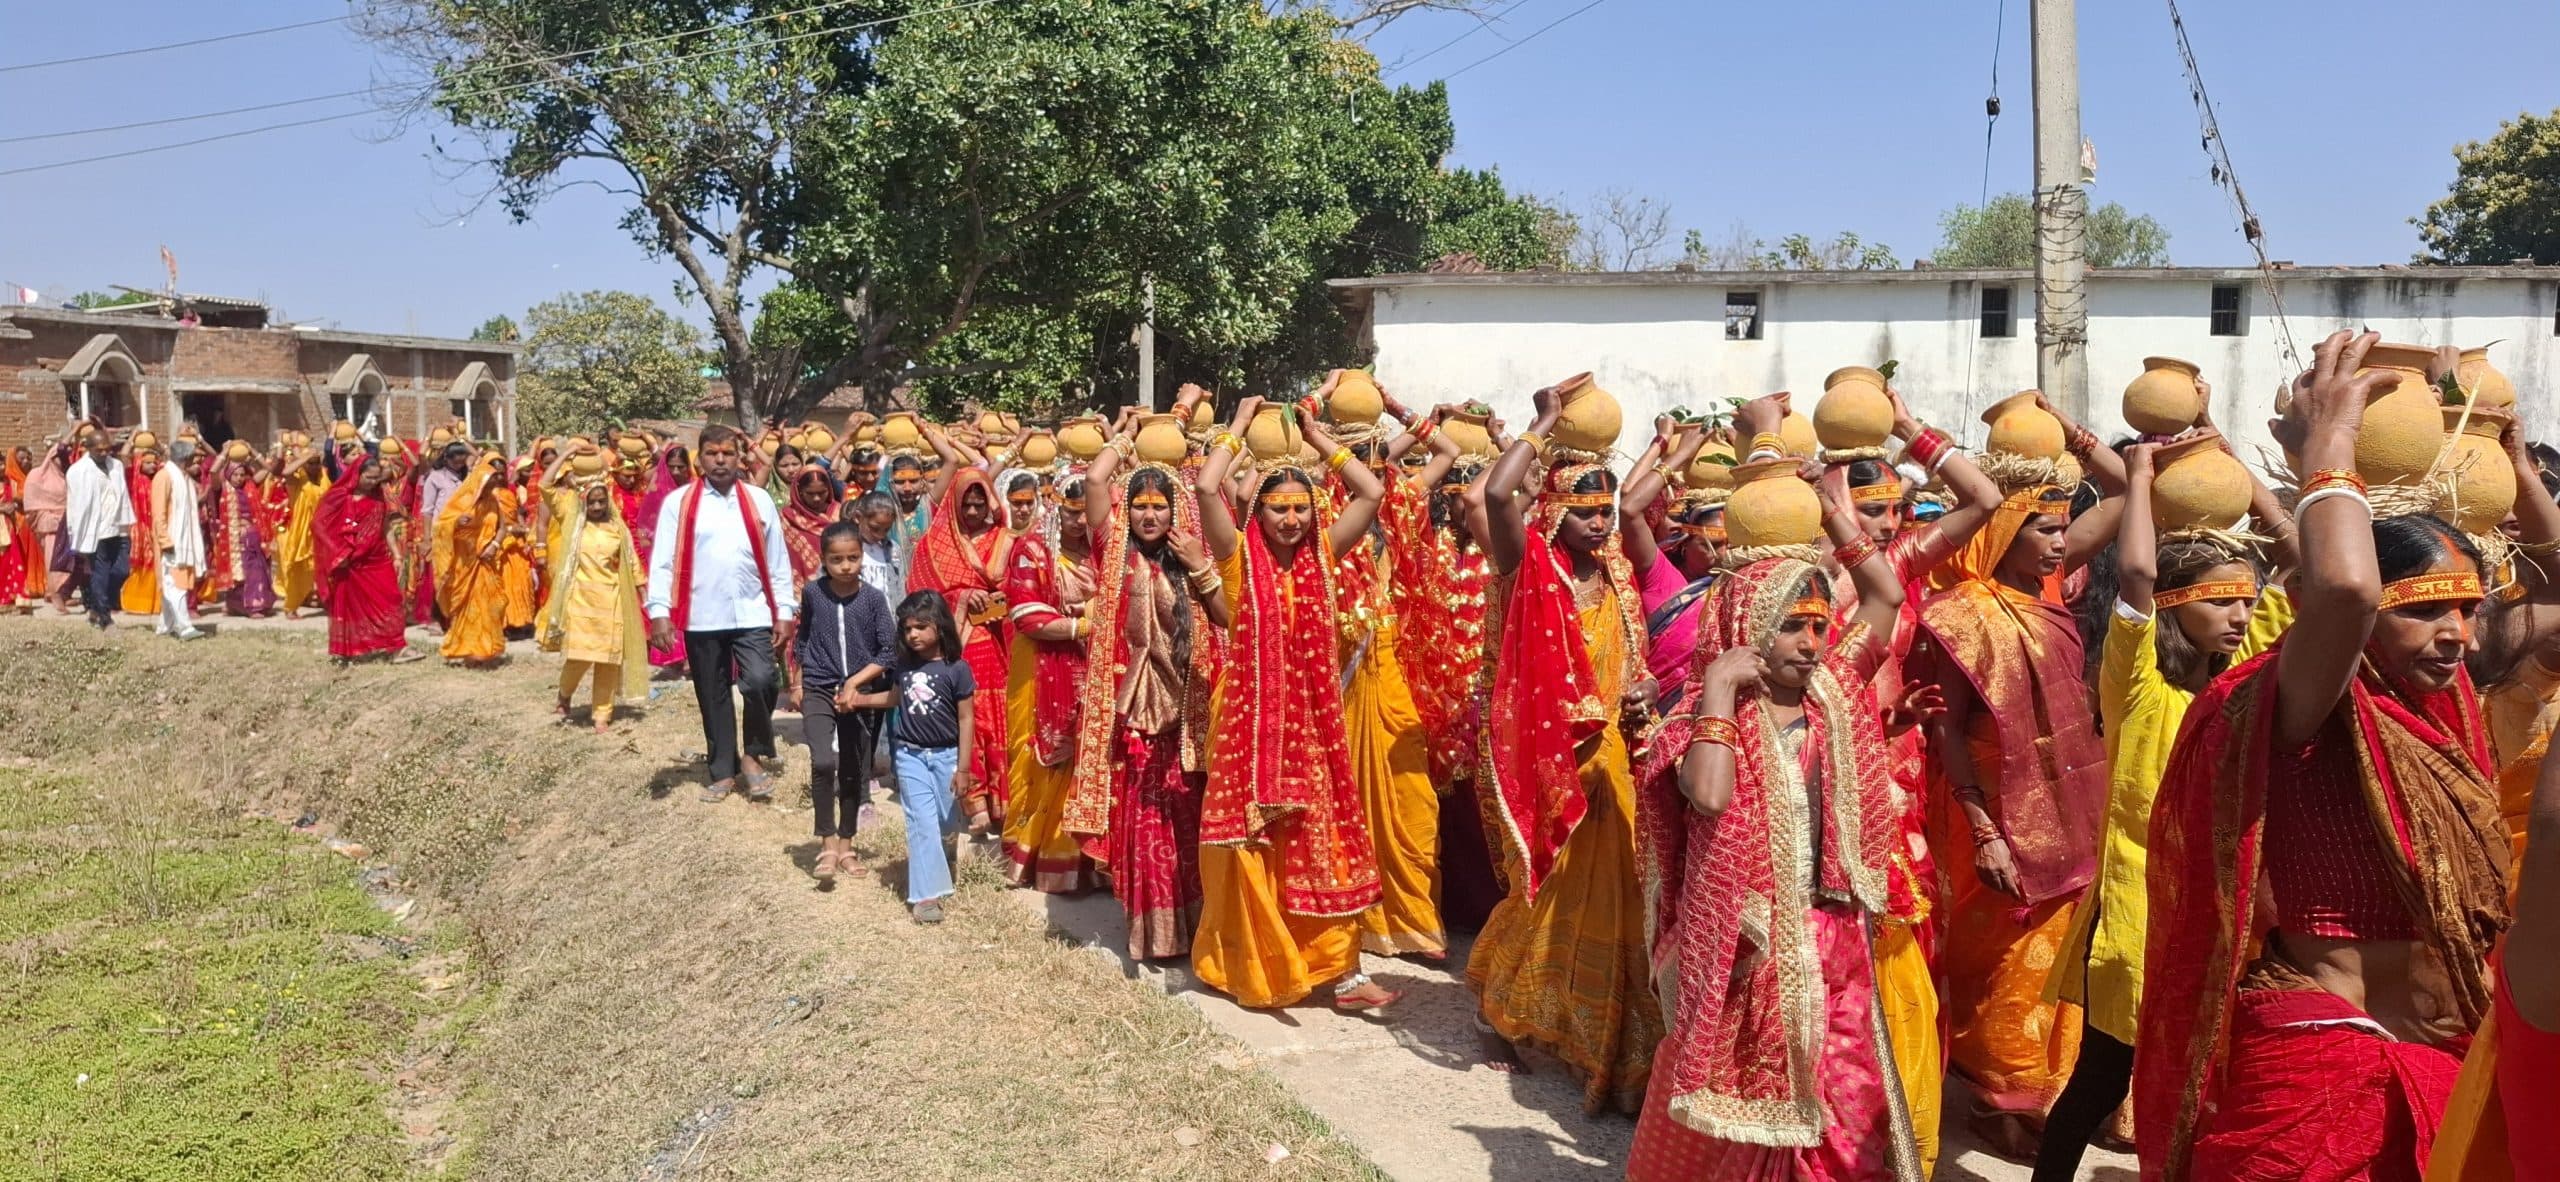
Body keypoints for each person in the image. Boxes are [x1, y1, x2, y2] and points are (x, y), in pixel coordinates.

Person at [2139, 332, 2519, 1182]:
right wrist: (2330, 445)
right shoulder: (2302, 706)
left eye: (2467, 609)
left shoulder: (2438, 706)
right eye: (2424, 610)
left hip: (2443, 1053)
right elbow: (2342, 588)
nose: (2457, 635)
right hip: (2322, 1055)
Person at [1623, 468, 1921, 1182]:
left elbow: (1884, 594)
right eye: (1792, 626)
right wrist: (1719, 690)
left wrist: (1830, 510)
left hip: (1834, 937)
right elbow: (1709, 796)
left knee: (1846, 1111)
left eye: (1818, 626)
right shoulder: (1699, 719)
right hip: (1753, 946)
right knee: (1746, 1119)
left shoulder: (1833, 693)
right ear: (1749, 624)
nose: (1811, 643)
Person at [2029, 436, 2293, 1182]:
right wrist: (2141, 475)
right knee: (2101, 1081)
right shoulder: (2140, 682)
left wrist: (2237, 465)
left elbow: (2304, 564)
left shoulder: (2240, 680)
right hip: (2136, 915)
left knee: (2201, 1083)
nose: (2240, 614)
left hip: (2215, 914)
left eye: (2247, 601)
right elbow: (2139, 574)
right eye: (2222, 600)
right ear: (2178, 608)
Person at [1916, 395, 2125, 1153]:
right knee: (2000, 959)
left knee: (2058, 955)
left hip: (2071, 800)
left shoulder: (2050, 590)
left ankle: (2048, 1093)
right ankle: (1996, 1095)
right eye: (2044, 528)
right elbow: (1945, 726)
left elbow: (2124, 489)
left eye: (2065, 528)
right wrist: (1983, 829)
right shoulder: (1964, 611)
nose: (2060, 542)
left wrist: (2068, 428)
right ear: (2006, 529)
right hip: (1993, 805)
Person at [1469, 380, 1663, 1116]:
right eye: (1584, 511)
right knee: (1546, 889)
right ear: (1552, 509)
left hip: (1615, 759)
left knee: (1622, 900)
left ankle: (1606, 1044)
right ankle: (1502, 1004)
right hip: (1552, 763)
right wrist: (1543, 423)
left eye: (1605, 511)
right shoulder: (1528, 569)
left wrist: (1644, 689)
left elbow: (1632, 658)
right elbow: (1496, 496)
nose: (1598, 522)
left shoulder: (1616, 574)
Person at [1189, 395, 1393, 1011]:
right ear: (1258, 510)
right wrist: (1239, 425)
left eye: (1301, 507)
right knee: (1253, 846)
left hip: (1313, 729)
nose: (1291, 519)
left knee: (1323, 841)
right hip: (1249, 731)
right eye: (1278, 507)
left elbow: (1371, 492)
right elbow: (1206, 487)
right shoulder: (1236, 559)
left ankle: (1342, 973)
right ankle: (1257, 963)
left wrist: (1316, 435)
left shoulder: (1323, 555)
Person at [1065, 419, 1230, 960]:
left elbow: (1228, 617)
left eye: (1160, 505)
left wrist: (1200, 568)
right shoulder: (1114, 550)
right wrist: (1129, 434)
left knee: (1187, 818)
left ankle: (1196, 926)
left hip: (1186, 712)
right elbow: (1095, 480)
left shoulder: (1191, 554)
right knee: (1146, 819)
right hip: (1134, 711)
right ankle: (1154, 934)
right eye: (1140, 505)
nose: (1150, 515)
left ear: (1175, 510)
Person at [646, 425, 797, 804]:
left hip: (753, 610)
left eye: (727, 453)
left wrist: (784, 610)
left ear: (739, 457)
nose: (719, 460)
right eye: (711, 453)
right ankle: (723, 768)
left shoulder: (759, 500)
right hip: (702, 613)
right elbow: (662, 561)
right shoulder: (679, 503)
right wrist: (659, 612)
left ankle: (753, 754)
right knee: (712, 692)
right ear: (699, 459)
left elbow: (778, 560)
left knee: (761, 680)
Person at [1000, 472, 1099, 893]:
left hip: (1093, 665)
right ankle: (1036, 855)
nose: (1081, 522)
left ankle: (1086, 862)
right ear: (1057, 506)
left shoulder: (1103, 549)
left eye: (1087, 513)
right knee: (1041, 756)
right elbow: (1026, 614)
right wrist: (1084, 626)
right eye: (1073, 513)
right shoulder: (1033, 550)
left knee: (1088, 757)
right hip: (1042, 666)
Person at [908, 466, 1015, 831]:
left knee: (1000, 718)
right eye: (965, 504)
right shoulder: (934, 545)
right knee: (968, 716)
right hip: (959, 646)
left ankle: (1005, 800)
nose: (971, 512)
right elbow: (921, 598)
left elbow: (1025, 586)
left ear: (990, 503)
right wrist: (964, 596)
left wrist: (1001, 597)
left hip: (1002, 644)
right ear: (953, 503)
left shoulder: (1006, 540)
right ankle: (975, 800)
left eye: (978, 505)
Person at [790, 521, 897, 882]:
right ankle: (827, 842)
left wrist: (855, 684)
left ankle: (847, 845)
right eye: (837, 559)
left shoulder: (873, 599)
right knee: (822, 761)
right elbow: (804, 637)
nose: (846, 566)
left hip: (859, 693)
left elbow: (887, 651)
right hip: (819, 685)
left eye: (853, 557)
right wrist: (797, 679)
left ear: (862, 556)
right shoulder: (813, 593)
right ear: (823, 559)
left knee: (853, 768)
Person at [860, 590, 976, 924]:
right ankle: (926, 897)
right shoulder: (905, 666)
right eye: (907, 628)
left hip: (947, 756)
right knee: (921, 823)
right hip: (910, 755)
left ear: (940, 626)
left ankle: (945, 854)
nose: (912, 634)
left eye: (921, 627)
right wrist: (859, 701)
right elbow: (895, 698)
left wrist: (963, 769)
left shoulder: (957, 669)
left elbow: (967, 719)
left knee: (946, 823)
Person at [541, 452, 649, 734]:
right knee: (579, 657)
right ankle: (564, 694)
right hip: (580, 601)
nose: (598, 506)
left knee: (608, 661)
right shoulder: (571, 520)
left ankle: (602, 713)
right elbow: (545, 485)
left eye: (602, 501)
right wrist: (565, 454)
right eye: (593, 502)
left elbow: (631, 561)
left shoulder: (616, 528)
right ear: (583, 501)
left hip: (611, 601)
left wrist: (642, 591)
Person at [315, 453, 414, 663]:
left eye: (376, 478)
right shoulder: (339, 497)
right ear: (356, 474)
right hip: (349, 563)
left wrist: (397, 555)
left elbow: (386, 527)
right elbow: (319, 525)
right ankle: (352, 649)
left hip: (377, 559)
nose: (373, 482)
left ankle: (397, 647)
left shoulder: (379, 497)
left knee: (391, 599)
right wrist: (337, 552)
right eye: (368, 477)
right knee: (351, 606)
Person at [434, 453, 513, 668]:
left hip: (486, 563)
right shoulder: (462, 501)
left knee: (490, 605)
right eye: (488, 483)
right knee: (468, 608)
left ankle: (486, 649)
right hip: (464, 565)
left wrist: (494, 545)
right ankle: (467, 649)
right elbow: (440, 527)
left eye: (494, 482)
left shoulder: (493, 502)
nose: (492, 487)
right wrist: (456, 522)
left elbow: (502, 528)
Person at [64, 428, 134, 631]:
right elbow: (74, 506)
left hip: (118, 526)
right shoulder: (77, 471)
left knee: (122, 571)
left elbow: (122, 496)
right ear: (87, 447)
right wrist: (75, 533)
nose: (104, 453)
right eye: (99, 450)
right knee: (100, 574)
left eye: (107, 449)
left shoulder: (116, 465)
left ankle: (95, 608)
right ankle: (105, 619)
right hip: (95, 530)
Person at [638, 441, 697, 678]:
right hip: (664, 557)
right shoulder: (656, 492)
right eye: (671, 466)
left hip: (692, 558)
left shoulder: (697, 490)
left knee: (689, 606)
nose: (676, 471)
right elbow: (645, 526)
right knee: (670, 604)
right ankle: (674, 655)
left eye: (681, 467)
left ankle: (691, 656)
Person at [204, 444, 277, 618]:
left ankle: (256, 604)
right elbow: (213, 472)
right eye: (235, 474)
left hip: (253, 536)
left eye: (242, 474)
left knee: (256, 571)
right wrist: (225, 451)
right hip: (233, 538)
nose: (239, 478)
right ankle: (241, 606)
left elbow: (270, 468)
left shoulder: (250, 485)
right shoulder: (221, 488)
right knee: (240, 574)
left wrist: (252, 450)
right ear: (228, 474)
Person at [414, 440, 470, 626]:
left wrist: (462, 439)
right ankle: (436, 618)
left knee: (459, 575)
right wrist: (427, 538)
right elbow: (427, 510)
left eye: (462, 462)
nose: (459, 465)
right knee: (441, 575)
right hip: (441, 534)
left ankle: (456, 615)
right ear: (446, 459)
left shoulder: (467, 478)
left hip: (462, 534)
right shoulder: (435, 478)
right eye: (456, 462)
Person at [270, 443, 328, 619]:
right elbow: (285, 472)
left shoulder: (325, 479)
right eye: (311, 463)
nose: (314, 466)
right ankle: (291, 606)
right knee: (299, 571)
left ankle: (329, 602)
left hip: (323, 531)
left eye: (317, 462)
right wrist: (304, 457)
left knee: (327, 569)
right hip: (302, 533)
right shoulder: (297, 480)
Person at [27, 439, 71, 613]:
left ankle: (63, 593)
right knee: (53, 559)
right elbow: (32, 502)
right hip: (49, 524)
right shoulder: (37, 476)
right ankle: (54, 592)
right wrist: (49, 518)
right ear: (51, 458)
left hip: (68, 522)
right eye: (60, 458)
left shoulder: (68, 475)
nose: (63, 461)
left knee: (71, 560)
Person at [120, 438, 162, 617]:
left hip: (157, 527)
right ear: (139, 463)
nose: (152, 466)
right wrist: (133, 437)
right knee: (142, 564)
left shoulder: (160, 478)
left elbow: (167, 457)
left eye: (154, 462)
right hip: (140, 528)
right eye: (148, 463)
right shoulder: (133, 478)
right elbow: (124, 455)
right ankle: (138, 602)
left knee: (157, 563)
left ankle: (156, 603)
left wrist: (155, 443)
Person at [847, 491, 906, 600]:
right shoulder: (844, 547)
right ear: (858, 517)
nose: (880, 535)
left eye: (886, 529)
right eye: (874, 528)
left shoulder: (893, 550)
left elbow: (900, 589)